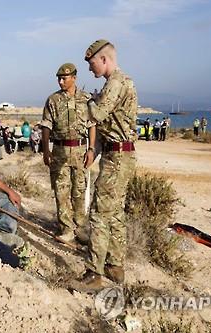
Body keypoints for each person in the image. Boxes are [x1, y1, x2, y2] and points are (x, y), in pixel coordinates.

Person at [79, 39, 138, 288]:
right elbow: (109, 126)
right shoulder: (117, 82)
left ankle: (94, 274)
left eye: (92, 64)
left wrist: (85, 100)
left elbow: (97, 114)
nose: (90, 69)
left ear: (104, 59)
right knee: (114, 213)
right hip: (118, 155)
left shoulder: (115, 83)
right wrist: (95, 150)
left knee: (99, 214)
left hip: (118, 158)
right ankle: (115, 265)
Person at [40, 62, 96, 243]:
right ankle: (66, 229)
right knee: (61, 190)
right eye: (59, 78)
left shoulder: (87, 99)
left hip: (80, 150)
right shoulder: (53, 100)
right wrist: (46, 149)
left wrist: (91, 149)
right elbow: (46, 126)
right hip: (59, 150)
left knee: (79, 189)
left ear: (74, 78)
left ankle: (80, 228)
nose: (61, 82)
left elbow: (92, 126)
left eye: (64, 78)